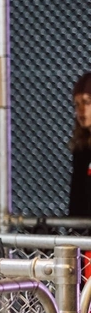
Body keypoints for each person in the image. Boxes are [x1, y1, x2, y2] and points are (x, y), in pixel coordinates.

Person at [67, 72, 91, 218]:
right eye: (77, 104)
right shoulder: (81, 149)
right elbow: (77, 198)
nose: (81, 110)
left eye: (87, 102)